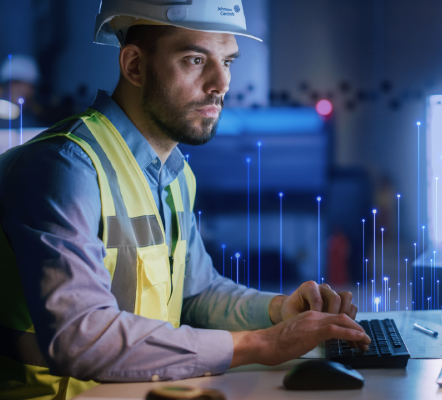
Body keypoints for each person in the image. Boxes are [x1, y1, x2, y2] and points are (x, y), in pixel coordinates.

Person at [0, 1, 370, 399]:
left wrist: (280, 311)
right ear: (135, 66)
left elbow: (196, 294)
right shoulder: (65, 167)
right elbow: (79, 337)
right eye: (196, 59)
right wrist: (263, 344)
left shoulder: (175, 175)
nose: (221, 83)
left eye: (227, 61)